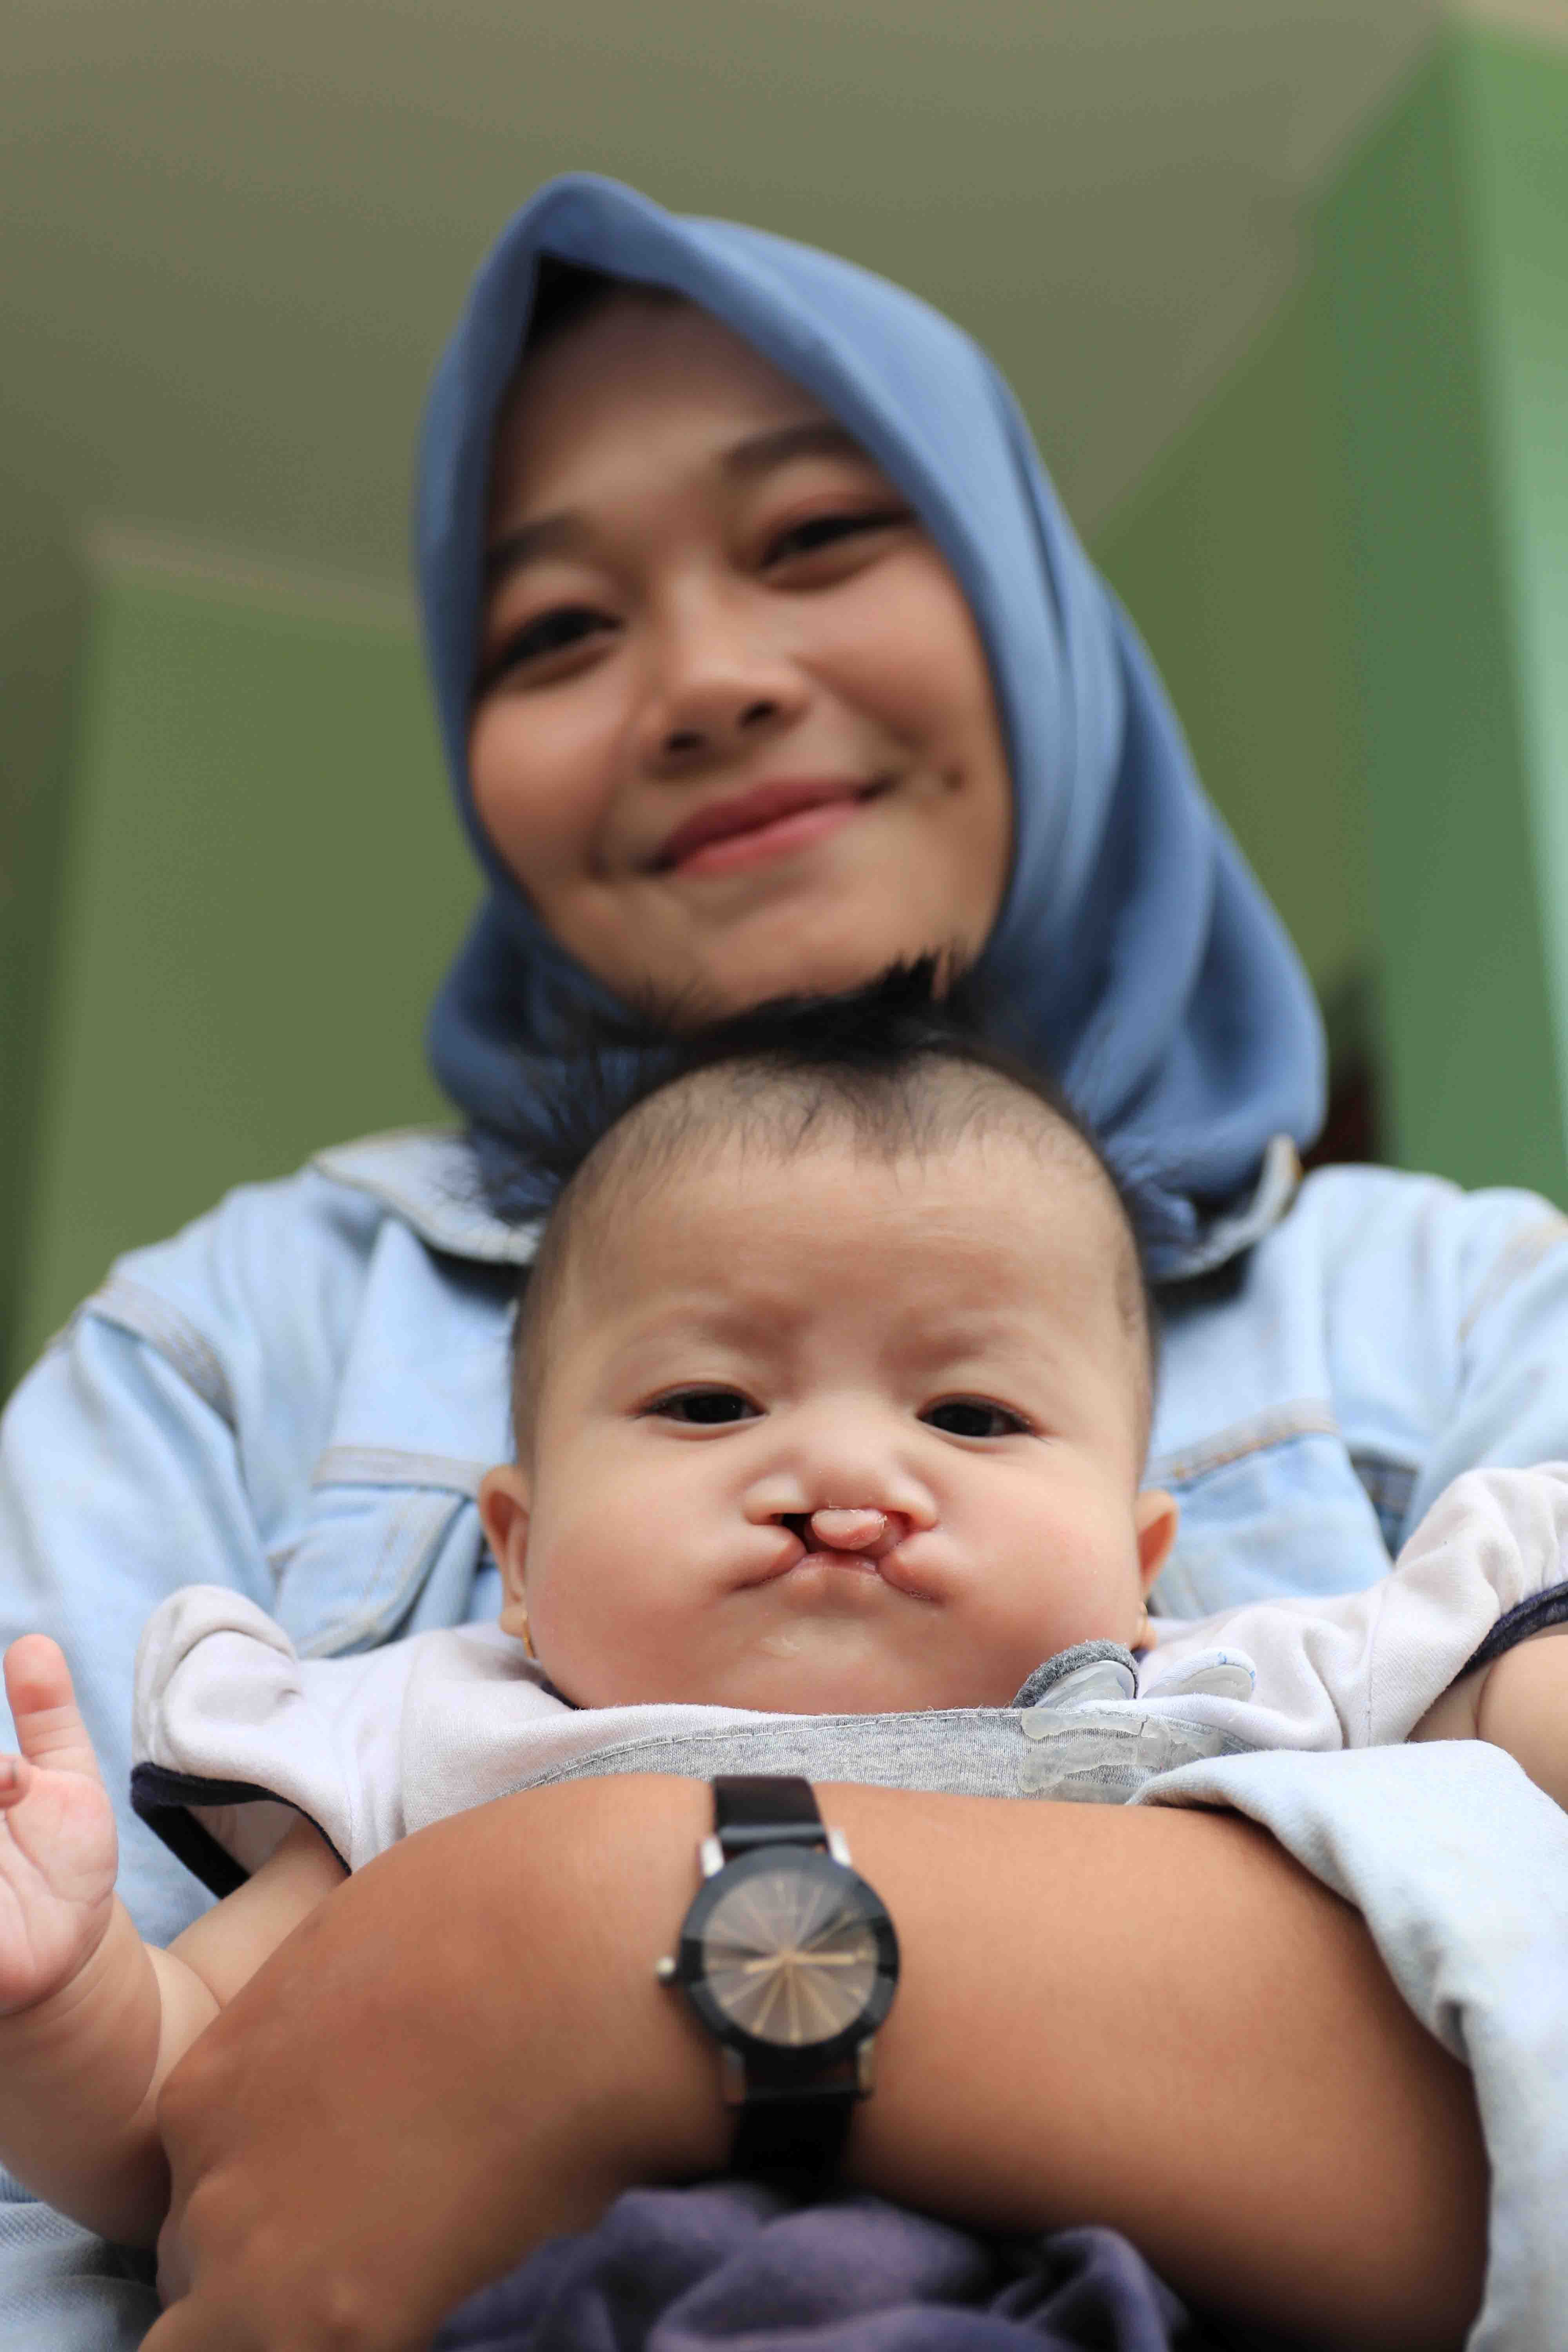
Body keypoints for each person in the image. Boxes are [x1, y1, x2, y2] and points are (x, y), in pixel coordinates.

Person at [2, 172, 1564, 2350]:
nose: (710, 682)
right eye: (555, 631)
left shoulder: (1474, 1323)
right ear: (511, 1537)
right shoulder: (242, 1355)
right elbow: (125, 2163)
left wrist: (615, 1951)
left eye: (821, 535)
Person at [4, 971, 1568, 2274]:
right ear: (522, 1553)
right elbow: (184, 2111)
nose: (837, 1469)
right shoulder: (433, 1741)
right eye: (709, 1401)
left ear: (1137, 1559)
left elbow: (1496, 1702)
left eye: (967, 1412)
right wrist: (61, 1995)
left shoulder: (1211, 1694)